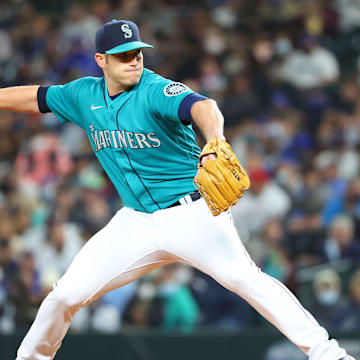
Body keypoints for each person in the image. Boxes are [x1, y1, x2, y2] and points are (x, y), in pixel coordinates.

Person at [0, 19, 354, 360]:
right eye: (123, 55)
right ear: (101, 61)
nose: (133, 60)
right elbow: (38, 97)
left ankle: (329, 355)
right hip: (135, 221)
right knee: (64, 296)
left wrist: (215, 138)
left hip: (192, 215)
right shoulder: (83, 95)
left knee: (246, 280)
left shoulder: (155, 90)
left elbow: (203, 106)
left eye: (137, 52)